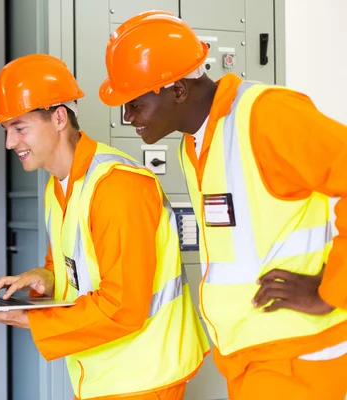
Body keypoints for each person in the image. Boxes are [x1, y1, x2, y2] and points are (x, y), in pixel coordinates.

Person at [98, 10, 347, 400]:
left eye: (134, 103)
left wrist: (333, 291)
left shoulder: (265, 114)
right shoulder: (192, 145)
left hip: (298, 357)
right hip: (247, 357)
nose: (127, 118)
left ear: (179, 90)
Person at [0, 53, 210, 400]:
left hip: (144, 378)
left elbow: (123, 306)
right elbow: (72, 268)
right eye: (7, 130)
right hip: (103, 374)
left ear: (59, 118)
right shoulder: (57, 186)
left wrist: (28, 319)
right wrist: (44, 278)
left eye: (19, 128)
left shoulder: (117, 186)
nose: (9, 143)